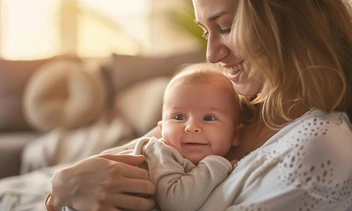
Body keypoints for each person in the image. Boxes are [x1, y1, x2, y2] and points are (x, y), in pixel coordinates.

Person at [46, 0, 352, 210]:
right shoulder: (236, 106)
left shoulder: (319, 147)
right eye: (206, 31)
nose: (211, 55)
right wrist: (59, 192)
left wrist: (65, 196)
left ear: (288, 21)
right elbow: (106, 166)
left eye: (226, 27)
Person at [64, 63, 243, 211]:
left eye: (209, 118)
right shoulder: (160, 152)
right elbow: (176, 203)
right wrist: (216, 164)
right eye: (179, 117)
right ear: (161, 128)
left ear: (236, 135)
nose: (191, 127)